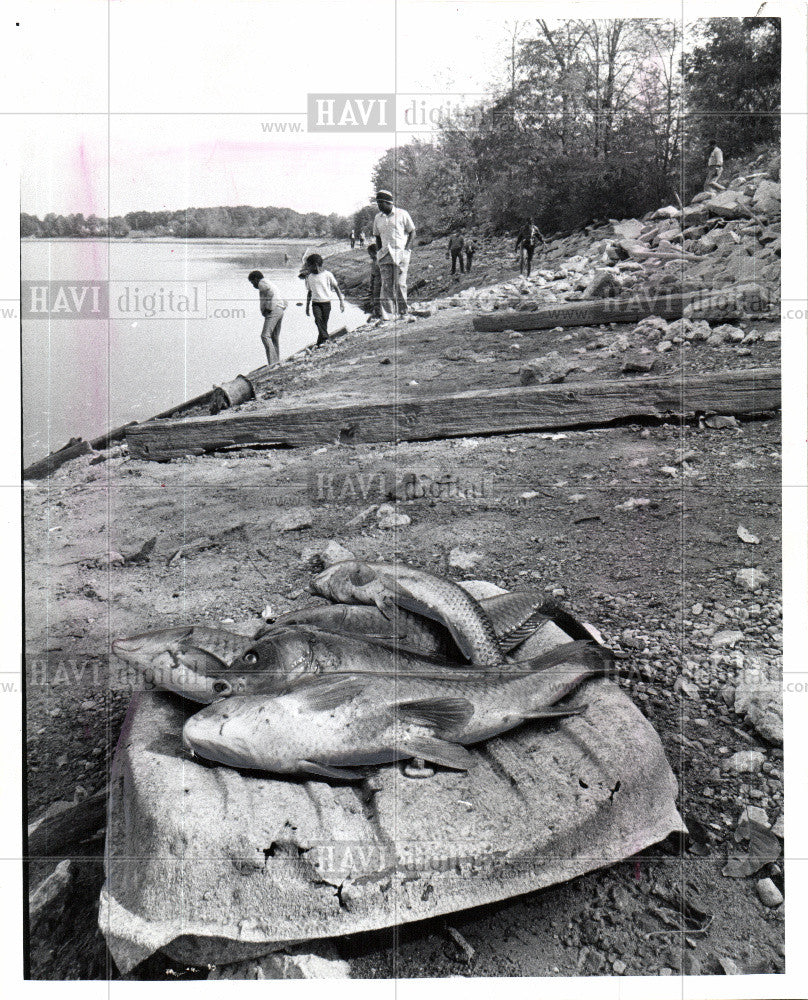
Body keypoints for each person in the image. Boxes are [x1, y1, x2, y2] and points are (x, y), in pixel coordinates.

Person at [372, 189, 415, 320]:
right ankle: (388, 315)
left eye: (380, 203)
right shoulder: (377, 218)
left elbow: (412, 232)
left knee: (400, 284)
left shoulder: (402, 214)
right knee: (386, 285)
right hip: (385, 255)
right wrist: (379, 251)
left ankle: (403, 311)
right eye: (378, 203)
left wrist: (406, 250)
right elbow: (377, 236)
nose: (379, 206)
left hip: (400, 254)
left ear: (388, 202)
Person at [303, 253, 345, 346]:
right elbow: (309, 292)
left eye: (309, 265)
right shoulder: (309, 277)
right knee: (318, 321)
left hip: (326, 303)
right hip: (315, 303)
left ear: (315, 265)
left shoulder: (327, 275)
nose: (307, 268)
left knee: (323, 324)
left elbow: (336, 288)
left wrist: (341, 302)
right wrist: (307, 307)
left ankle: (320, 343)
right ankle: (326, 339)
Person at [248, 269, 285, 366]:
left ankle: (272, 363)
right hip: (280, 309)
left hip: (274, 310)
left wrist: (268, 308)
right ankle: (276, 361)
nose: (253, 285)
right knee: (274, 337)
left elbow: (271, 293)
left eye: (252, 282)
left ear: (256, 279)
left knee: (265, 336)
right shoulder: (268, 282)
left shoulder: (262, 283)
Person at [366, 243, 381, 316]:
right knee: (376, 298)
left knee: (378, 298)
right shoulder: (374, 262)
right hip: (375, 282)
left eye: (370, 254)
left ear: (374, 252)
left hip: (379, 282)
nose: (369, 256)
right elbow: (372, 275)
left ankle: (379, 314)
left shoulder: (378, 261)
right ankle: (377, 312)